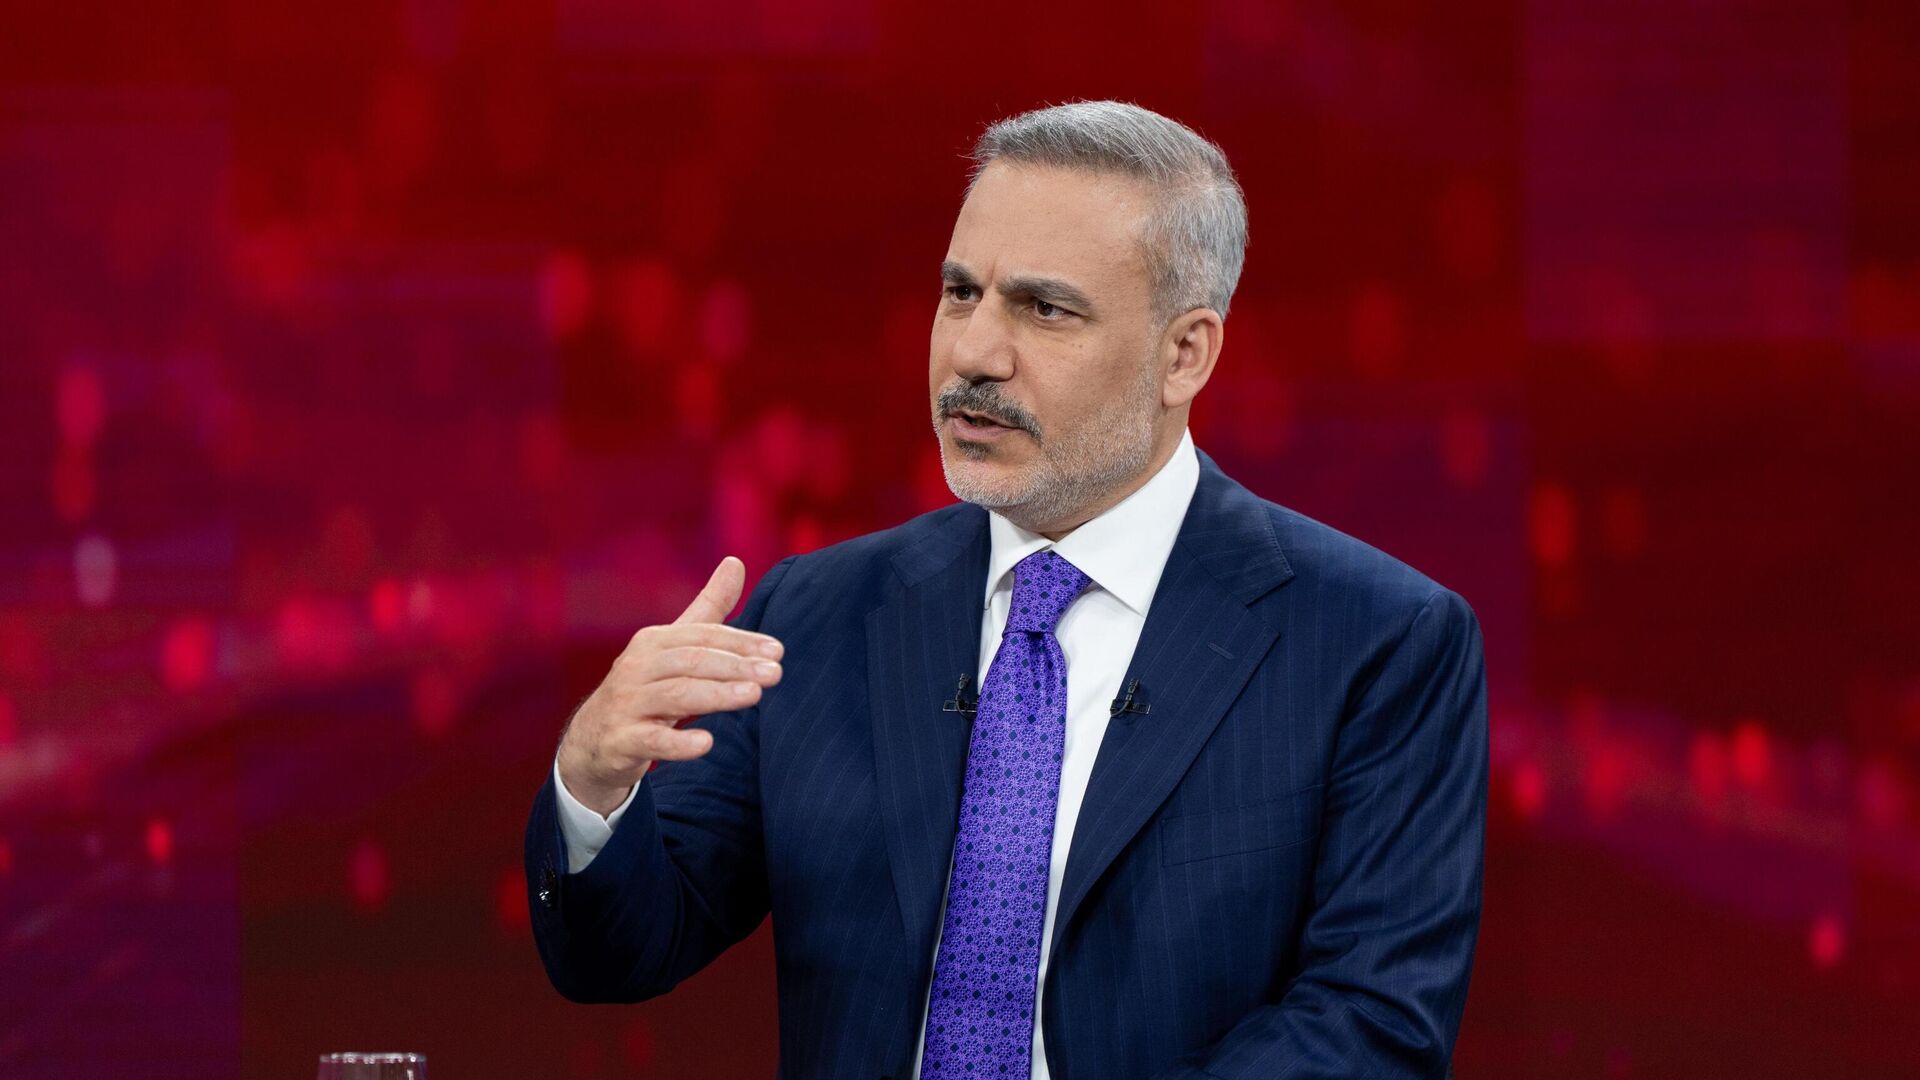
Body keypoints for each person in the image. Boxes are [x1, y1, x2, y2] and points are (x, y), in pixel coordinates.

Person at [525, 100, 1487, 1080]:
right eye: (960, 293)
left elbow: (1370, 1031)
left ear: (1184, 354)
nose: (973, 355)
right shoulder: (815, 614)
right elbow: (617, 953)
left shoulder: (1378, 642)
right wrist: (593, 781)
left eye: (1044, 308)